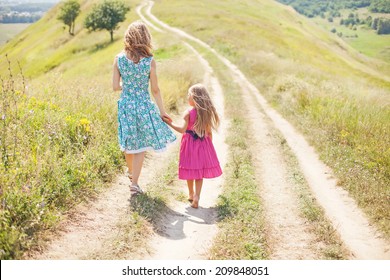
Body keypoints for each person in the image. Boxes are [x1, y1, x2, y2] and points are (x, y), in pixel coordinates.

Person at [112, 20, 176, 196]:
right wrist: (162, 111)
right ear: (145, 38)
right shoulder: (149, 61)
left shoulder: (118, 59)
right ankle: (134, 183)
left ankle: (132, 174)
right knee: (140, 145)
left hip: (125, 105)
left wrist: (128, 86)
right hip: (143, 105)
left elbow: (115, 86)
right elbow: (155, 89)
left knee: (128, 140)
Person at [163, 83, 222, 208]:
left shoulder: (188, 112)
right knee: (199, 172)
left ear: (195, 98)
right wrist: (208, 147)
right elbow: (209, 132)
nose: (187, 98)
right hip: (203, 143)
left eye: (189, 95)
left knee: (190, 168)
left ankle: (190, 193)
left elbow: (182, 130)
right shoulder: (206, 113)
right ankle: (197, 197)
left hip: (189, 144)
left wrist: (169, 123)